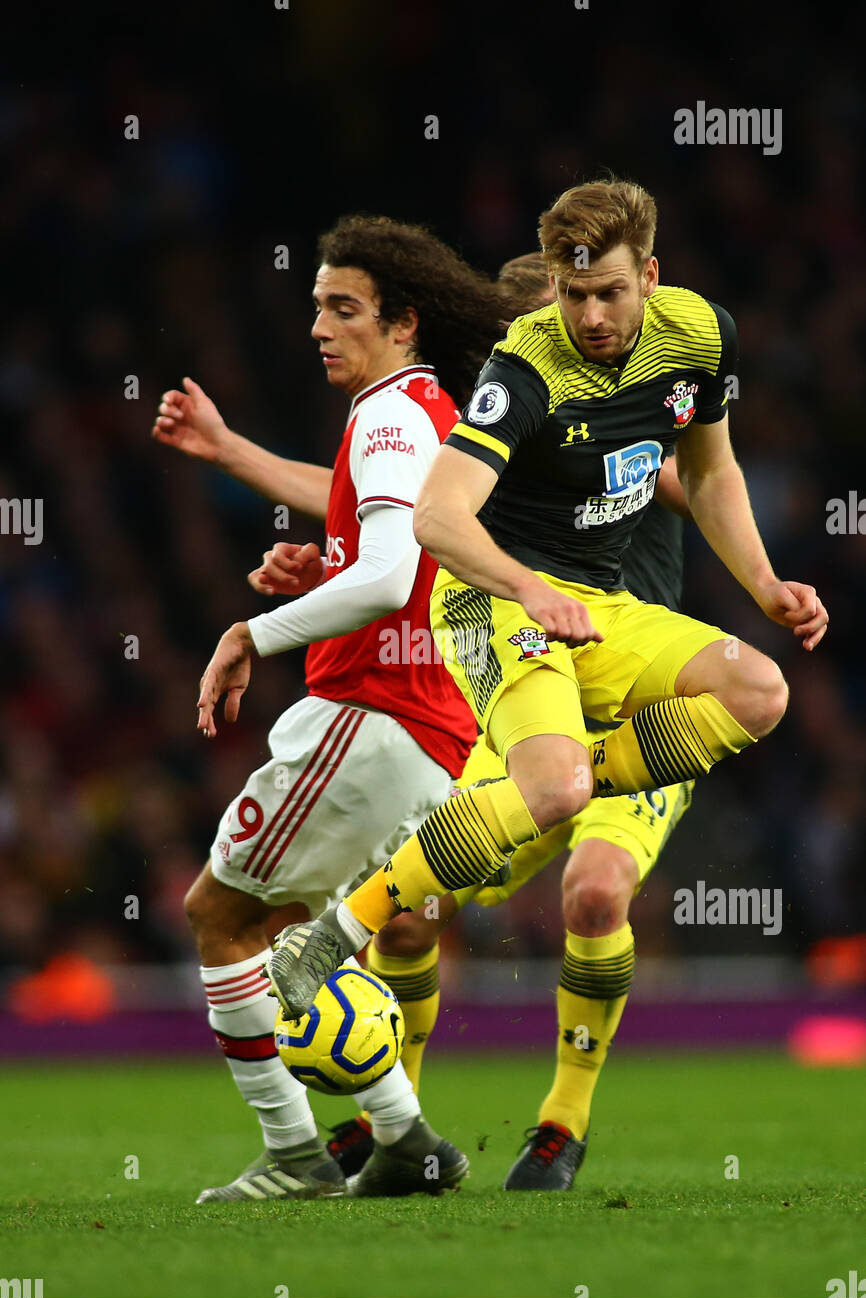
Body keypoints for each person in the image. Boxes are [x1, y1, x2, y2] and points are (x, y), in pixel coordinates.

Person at [261, 178, 828, 1054]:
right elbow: (436, 518)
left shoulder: (702, 334)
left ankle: (547, 789)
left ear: (651, 274)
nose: (590, 316)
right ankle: (334, 935)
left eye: (608, 292)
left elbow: (710, 472)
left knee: (760, 691)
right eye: (573, 295)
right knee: (552, 794)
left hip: (595, 606)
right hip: (495, 601)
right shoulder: (524, 366)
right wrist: (528, 588)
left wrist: (764, 585)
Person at [153, 213, 503, 1201]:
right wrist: (324, 556)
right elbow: (382, 543)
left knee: (220, 917)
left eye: (342, 309)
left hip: (372, 715)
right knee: (300, 943)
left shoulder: (389, 416)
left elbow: (390, 576)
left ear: (402, 324)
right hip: (420, 725)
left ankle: (296, 1155)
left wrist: (248, 634)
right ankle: (404, 1140)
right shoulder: (423, 409)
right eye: (314, 306)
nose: (318, 326)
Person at [327, 253, 695, 1191]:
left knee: (596, 894)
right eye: (516, 343)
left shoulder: (635, 411)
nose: (527, 361)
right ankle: (396, 1129)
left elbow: (690, 471)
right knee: (409, 912)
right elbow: (418, 514)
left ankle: (560, 1128)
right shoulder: (504, 441)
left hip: (641, 717)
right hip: (531, 704)